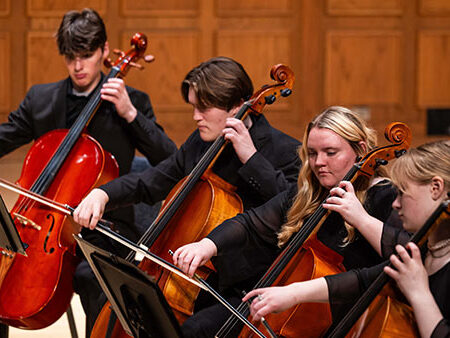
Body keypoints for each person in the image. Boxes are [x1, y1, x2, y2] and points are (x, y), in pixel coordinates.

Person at [74, 56, 302, 335]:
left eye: (203, 108)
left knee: (191, 329)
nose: (195, 117)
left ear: (236, 107)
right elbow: (152, 182)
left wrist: (250, 158)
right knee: (103, 286)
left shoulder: (286, 151)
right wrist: (103, 194)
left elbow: (294, 211)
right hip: (188, 273)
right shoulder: (200, 141)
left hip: (242, 285)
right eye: (194, 107)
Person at [0, 8, 177, 336]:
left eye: (86, 56)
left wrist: (131, 114)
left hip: (106, 225)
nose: (78, 67)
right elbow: (6, 135)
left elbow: (170, 162)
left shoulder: (131, 101)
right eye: (70, 58)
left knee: (90, 276)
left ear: (105, 51)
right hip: (40, 224)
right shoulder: (41, 99)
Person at [172, 106, 399, 337]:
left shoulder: (385, 197)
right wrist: (206, 245)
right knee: (196, 329)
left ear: (360, 150)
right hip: (282, 309)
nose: (318, 162)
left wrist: (361, 219)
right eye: (312, 153)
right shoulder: (311, 192)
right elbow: (250, 223)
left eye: (330, 152)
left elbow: (406, 253)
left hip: (333, 319)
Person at [243, 140, 450, 338]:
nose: (395, 204)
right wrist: (292, 293)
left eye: (402, 193)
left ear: (436, 188)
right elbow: (362, 280)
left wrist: (419, 293)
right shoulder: (423, 250)